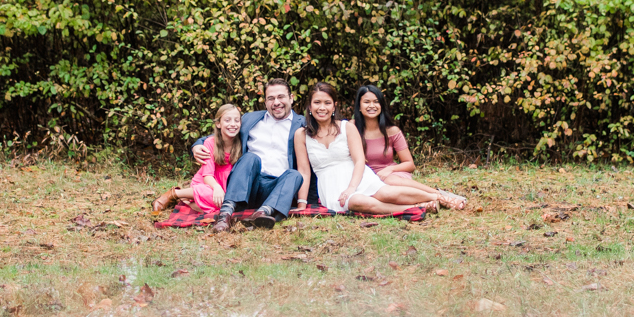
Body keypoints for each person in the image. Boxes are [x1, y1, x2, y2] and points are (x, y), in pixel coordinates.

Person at [292, 82, 442, 215]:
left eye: (327, 103)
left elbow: (359, 161)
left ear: (334, 106)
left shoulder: (347, 127)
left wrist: (351, 187)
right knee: (358, 202)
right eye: (317, 102)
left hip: (357, 176)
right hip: (331, 184)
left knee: (387, 193)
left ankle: (438, 197)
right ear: (310, 106)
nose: (322, 107)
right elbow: (304, 171)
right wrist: (301, 203)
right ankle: (417, 207)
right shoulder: (302, 134)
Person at [192, 79, 316, 232]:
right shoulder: (250, 119)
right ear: (265, 102)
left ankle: (262, 214)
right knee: (251, 158)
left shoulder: (303, 124)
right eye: (271, 98)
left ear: (291, 98)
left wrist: (303, 202)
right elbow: (222, 132)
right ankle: (224, 215)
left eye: (281, 97)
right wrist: (198, 143)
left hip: (277, 188)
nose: (276, 102)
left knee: (294, 174)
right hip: (248, 184)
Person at [353, 85, 467, 210]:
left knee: (390, 181)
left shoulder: (391, 131)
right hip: (364, 177)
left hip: (391, 176)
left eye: (376, 102)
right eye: (366, 102)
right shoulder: (351, 128)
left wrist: (389, 170)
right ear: (359, 106)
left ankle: (440, 197)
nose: (372, 106)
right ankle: (424, 205)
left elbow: (409, 164)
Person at [153, 104, 242, 213]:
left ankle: (190, 202)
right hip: (208, 184)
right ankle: (174, 194)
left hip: (226, 185)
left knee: (227, 204)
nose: (233, 124)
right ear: (218, 124)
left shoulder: (241, 144)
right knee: (213, 196)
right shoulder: (210, 143)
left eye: (237, 120)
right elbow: (207, 176)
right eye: (227, 120)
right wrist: (217, 188)